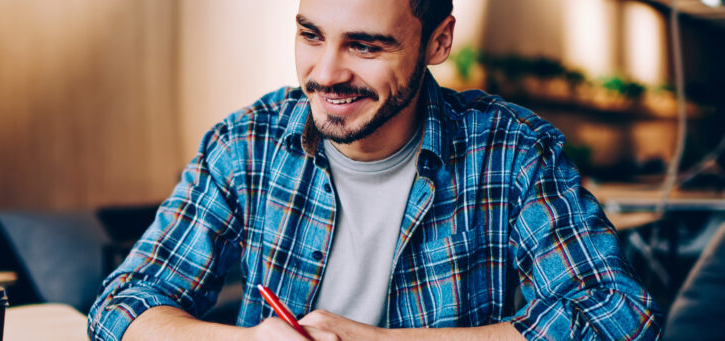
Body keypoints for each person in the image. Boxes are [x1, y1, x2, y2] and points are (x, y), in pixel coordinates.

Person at [88, 0, 662, 339]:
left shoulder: (512, 151)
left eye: (365, 47)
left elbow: (617, 317)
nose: (326, 74)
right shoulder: (246, 144)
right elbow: (125, 303)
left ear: (438, 42)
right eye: (310, 35)